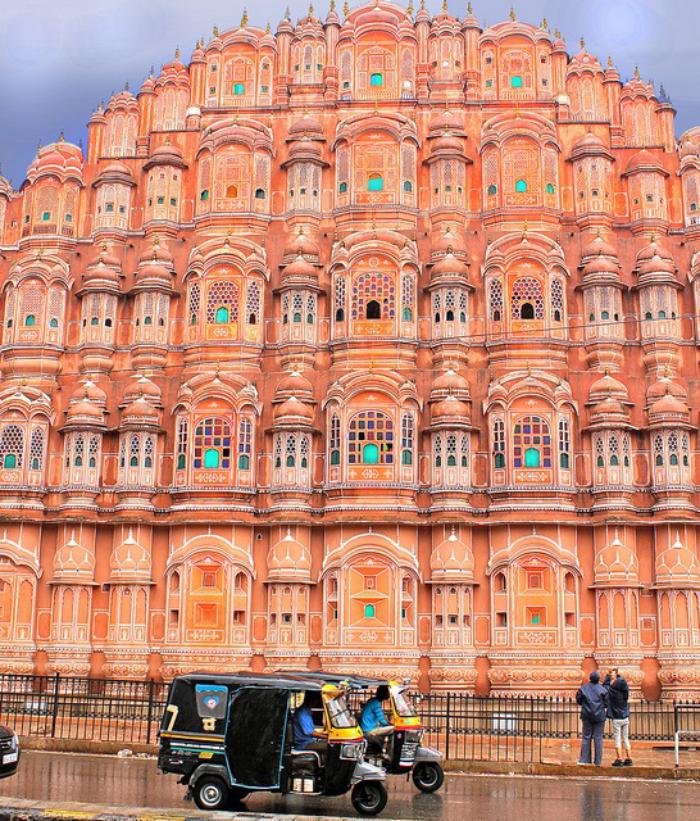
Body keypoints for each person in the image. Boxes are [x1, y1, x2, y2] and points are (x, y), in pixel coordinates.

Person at [576, 671, 608, 766]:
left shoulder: (583, 688)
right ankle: (598, 761)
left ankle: (584, 759)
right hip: (599, 716)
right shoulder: (603, 689)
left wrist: (586, 705)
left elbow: (579, 700)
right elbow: (606, 703)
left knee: (586, 737)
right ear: (598, 679)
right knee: (598, 738)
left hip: (586, 715)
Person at [604, 668, 632, 767]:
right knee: (626, 738)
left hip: (617, 718)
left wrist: (608, 677)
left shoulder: (612, 692)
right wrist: (618, 677)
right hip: (625, 717)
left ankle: (619, 758)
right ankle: (629, 758)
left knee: (617, 738)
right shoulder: (624, 694)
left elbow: (605, 687)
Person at [359, 685, 394, 749]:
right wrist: (389, 724)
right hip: (369, 730)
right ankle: (387, 749)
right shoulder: (376, 703)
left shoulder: (372, 700)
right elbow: (381, 719)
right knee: (393, 728)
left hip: (366, 728)